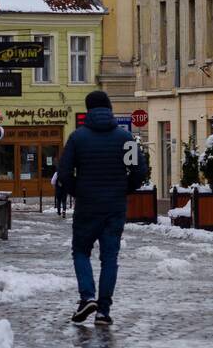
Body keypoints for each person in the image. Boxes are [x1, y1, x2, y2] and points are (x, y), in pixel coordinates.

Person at [56, 90, 147, 325]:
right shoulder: (125, 138)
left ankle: (87, 296)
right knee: (109, 258)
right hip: (114, 207)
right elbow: (139, 172)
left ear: (88, 111)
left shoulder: (77, 138)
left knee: (80, 251)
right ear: (109, 109)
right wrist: (123, 189)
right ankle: (103, 311)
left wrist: (78, 190)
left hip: (87, 206)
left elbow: (64, 173)